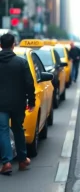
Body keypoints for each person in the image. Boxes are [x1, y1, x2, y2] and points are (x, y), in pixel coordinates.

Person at [0, 33, 35, 175]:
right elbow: (29, 83)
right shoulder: (21, 62)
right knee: (18, 129)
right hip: (18, 103)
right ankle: (22, 160)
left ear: (1, 45)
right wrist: (31, 101)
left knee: (2, 131)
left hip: (0, 105)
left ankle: (7, 162)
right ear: (13, 45)